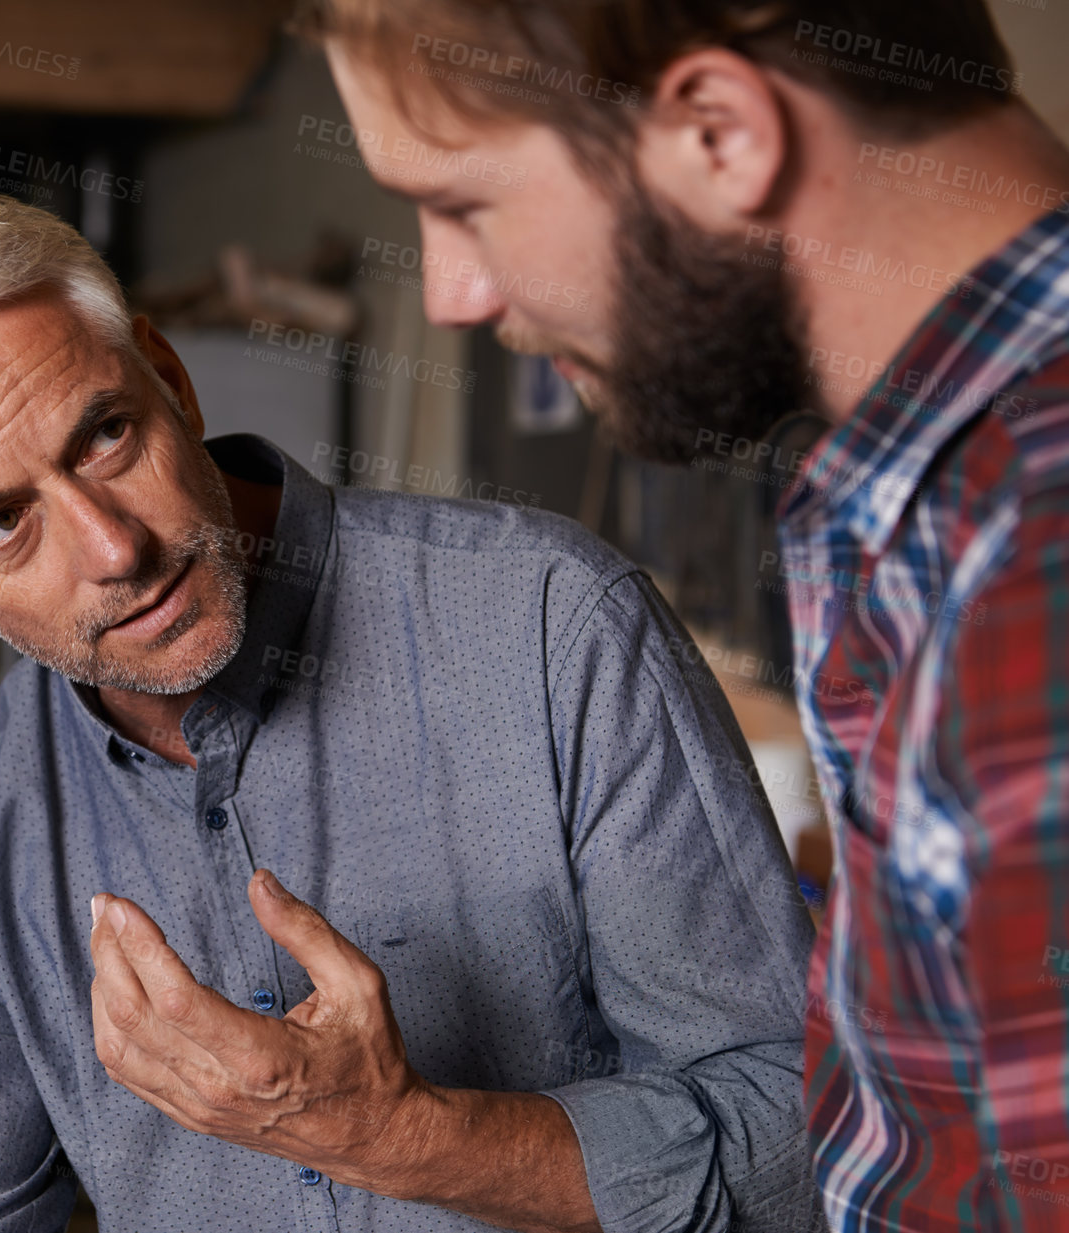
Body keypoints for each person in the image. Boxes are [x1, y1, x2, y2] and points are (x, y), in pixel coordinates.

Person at [0, 187, 816, 1233]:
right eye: (1, 524)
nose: (113, 548)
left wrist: (403, 1139)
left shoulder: (549, 629)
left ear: (170, 379)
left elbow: (810, 1136)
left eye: (105, 436)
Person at [304, 0, 1069, 1228]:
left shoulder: (1035, 554)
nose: (449, 291)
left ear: (720, 132)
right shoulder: (917, 513)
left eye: (464, 204)